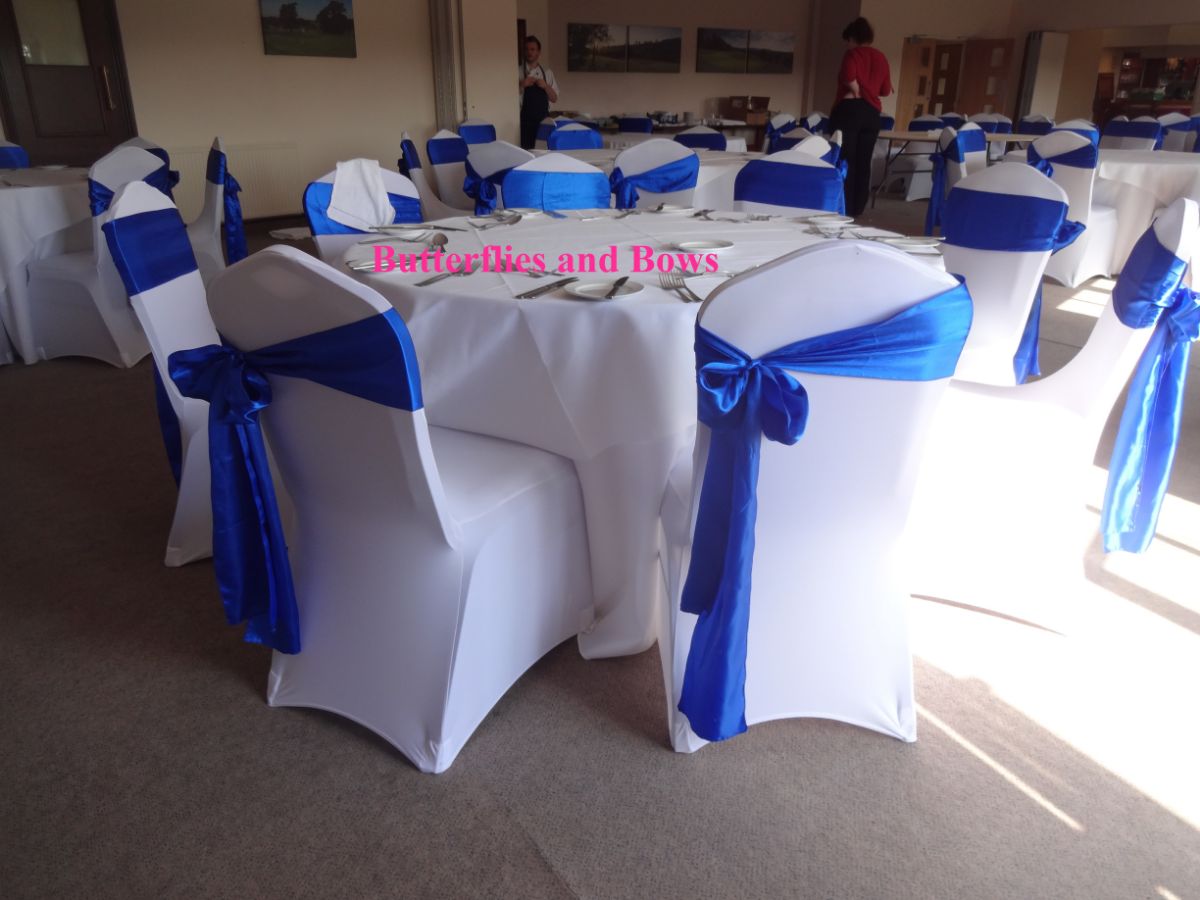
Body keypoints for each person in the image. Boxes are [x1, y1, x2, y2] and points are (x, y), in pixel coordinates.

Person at [829, 17, 892, 216]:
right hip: (872, 114)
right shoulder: (881, 57)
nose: (847, 44)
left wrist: (857, 89)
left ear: (853, 38)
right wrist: (869, 90)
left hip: (850, 111)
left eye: (848, 40)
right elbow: (885, 90)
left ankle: (844, 204)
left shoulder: (853, 54)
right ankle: (858, 207)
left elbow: (848, 76)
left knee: (846, 159)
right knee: (864, 161)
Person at [519, 36, 559, 150]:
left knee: (543, 153)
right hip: (524, 123)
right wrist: (521, 85)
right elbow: (507, 98)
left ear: (538, 52)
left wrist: (546, 86)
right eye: (527, 49)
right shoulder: (517, 71)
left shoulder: (547, 73)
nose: (529, 52)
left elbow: (554, 98)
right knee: (526, 153)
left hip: (543, 123)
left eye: (532, 49)